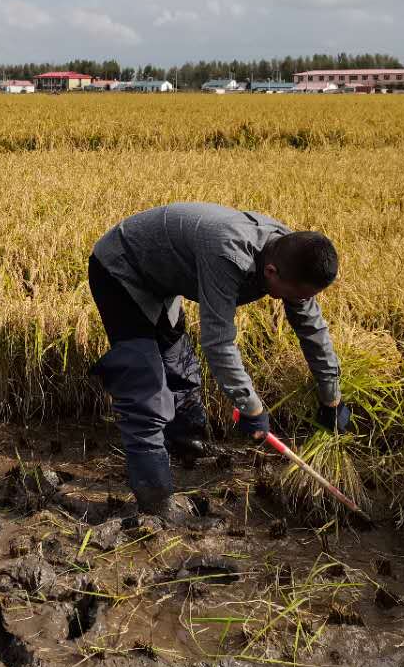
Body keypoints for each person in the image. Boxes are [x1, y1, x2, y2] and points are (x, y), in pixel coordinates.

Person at [89, 203, 346, 516]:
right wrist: (251, 407)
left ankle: (184, 445)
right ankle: (156, 500)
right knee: (145, 389)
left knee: (181, 370)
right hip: (122, 269)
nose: (303, 303)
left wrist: (331, 399)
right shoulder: (228, 255)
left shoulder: (294, 255)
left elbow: (312, 330)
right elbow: (218, 342)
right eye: (298, 296)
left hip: (163, 280)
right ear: (270, 272)